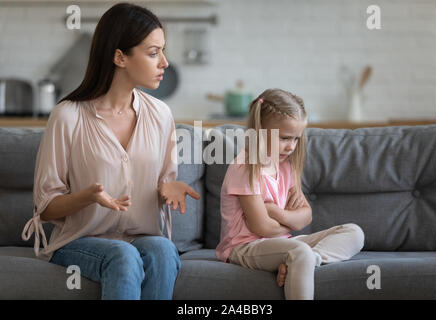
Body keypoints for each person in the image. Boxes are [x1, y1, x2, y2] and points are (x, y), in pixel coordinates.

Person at [21, 3, 200, 300]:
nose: (165, 63)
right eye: (153, 53)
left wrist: (168, 189)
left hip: (141, 237)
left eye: (163, 51)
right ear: (120, 57)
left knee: (163, 249)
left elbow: (163, 185)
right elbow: (46, 207)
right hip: (80, 241)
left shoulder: (161, 114)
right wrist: (87, 197)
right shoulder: (68, 116)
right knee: (123, 254)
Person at [215, 88, 365, 300]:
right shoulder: (245, 167)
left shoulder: (286, 167)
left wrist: (278, 212)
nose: (291, 147)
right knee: (299, 251)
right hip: (244, 247)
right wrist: (293, 222)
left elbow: (306, 215)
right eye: (285, 138)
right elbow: (262, 227)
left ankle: (305, 260)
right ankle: (300, 259)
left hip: (283, 245)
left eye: (296, 139)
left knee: (354, 233)